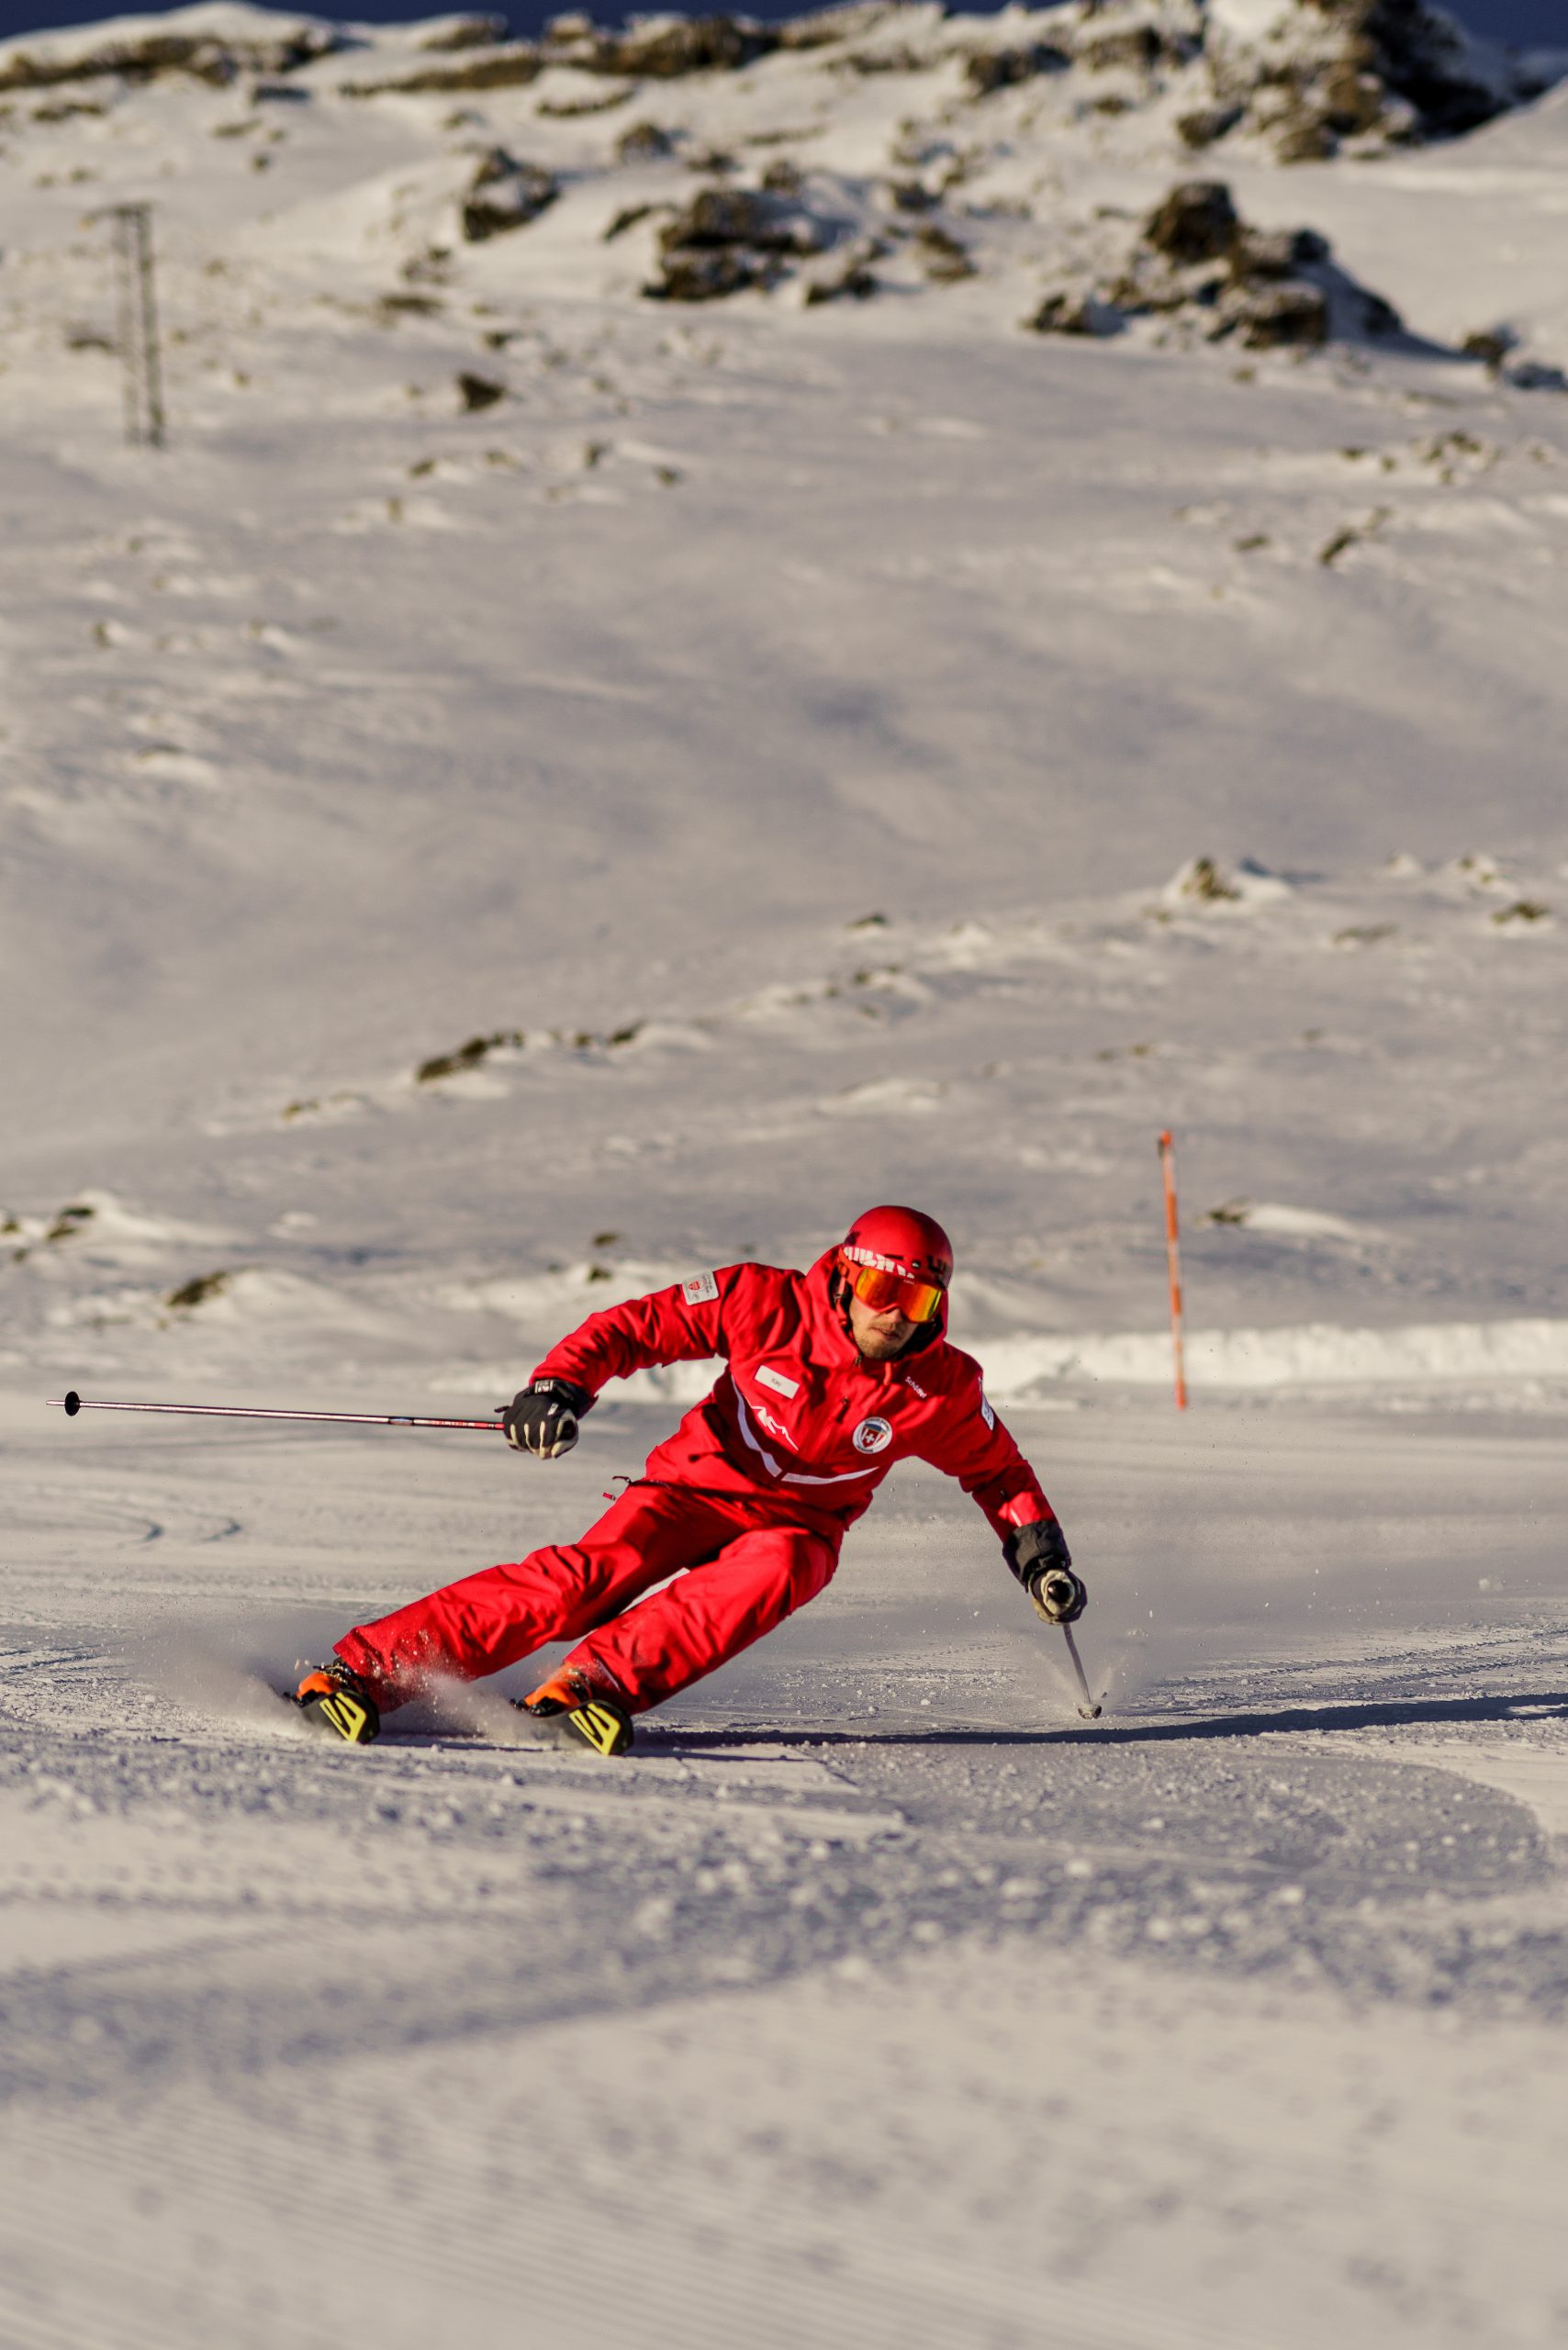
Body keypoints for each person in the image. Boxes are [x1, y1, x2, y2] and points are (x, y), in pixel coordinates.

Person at [293, 1204, 1085, 1754]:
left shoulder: (941, 1388)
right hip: (692, 1488)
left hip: (799, 1524)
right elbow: (637, 1328)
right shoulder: (761, 1301)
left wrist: (1040, 1557)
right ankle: (364, 1671)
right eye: (883, 1290)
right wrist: (559, 1388)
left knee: (785, 1565)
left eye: (918, 1297)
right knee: (586, 1584)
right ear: (846, 1277)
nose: (897, 1314)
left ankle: (589, 1687)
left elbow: (998, 1471)